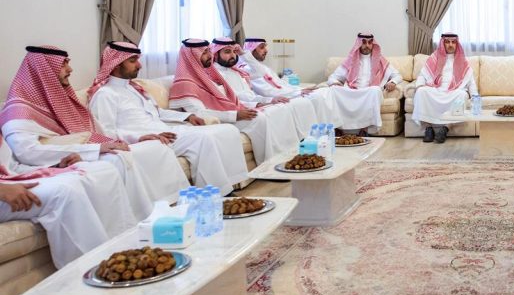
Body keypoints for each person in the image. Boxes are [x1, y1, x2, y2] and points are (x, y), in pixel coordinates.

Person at [1, 46, 188, 222]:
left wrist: (135, 138)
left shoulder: (61, 100)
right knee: (117, 159)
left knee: (153, 148)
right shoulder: (20, 111)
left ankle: (173, 208)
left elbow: (97, 131)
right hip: (66, 156)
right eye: (63, 64)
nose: (70, 69)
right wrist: (94, 150)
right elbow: (27, 152)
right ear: (43, 71)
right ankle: (144, 218)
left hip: (82, 150)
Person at [88, 41, 250, 195]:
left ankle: (227, 185)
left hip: (164, 131)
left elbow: (158, 112)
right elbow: (104, 133)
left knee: (222, 131)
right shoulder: (105, 95)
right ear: (116, 64)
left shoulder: (134, 88)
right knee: (203, 139)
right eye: (133, 61)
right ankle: (218, 193)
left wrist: (187, 116)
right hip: (147, 140)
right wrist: (138, 137)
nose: (139, 65)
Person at [0, 139, 130, 267]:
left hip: (7, 181)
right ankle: (93, 269)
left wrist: (55, 168)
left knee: (101, 170)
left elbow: (11, 168)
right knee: (63, 193)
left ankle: (125, 252)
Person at [168, 39, 297, 164]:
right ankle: (268, 164)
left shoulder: (211, 76)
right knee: (259, 118)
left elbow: (229, 99)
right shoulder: (184, 83)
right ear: (192, 57)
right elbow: (199, 113)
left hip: (230, 111)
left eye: (209, 51)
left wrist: (252, 105)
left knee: (266, 114)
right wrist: (236, 114)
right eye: (204, 52)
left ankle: (282, 158)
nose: (210, 55)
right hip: (215, 119)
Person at [210, 38, 313, 139]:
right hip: (238, 110)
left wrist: (242, 53)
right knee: (275, 112)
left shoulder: (236, 71)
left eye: (234, 51)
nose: (233, 55)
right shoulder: (216, 74)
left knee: (281, 109)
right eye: (227, 52)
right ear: (215, 54)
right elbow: (236, 96)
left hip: (253, 103)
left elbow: (261, 73)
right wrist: (264, 101)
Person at [238, 37, 337, 126]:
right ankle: (323, 128)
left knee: (324, 91)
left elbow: (281, 84)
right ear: (251, 49)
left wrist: (300, 89)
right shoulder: (246, 69)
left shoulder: (263, 67)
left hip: (287, 94)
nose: (266, 50)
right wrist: (297, 93)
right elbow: (267, 92)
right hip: (278, 98)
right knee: (316, 97)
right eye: (262, 47)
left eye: (265, 47)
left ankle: (331, 126)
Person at [326, 33, 402, 134]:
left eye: (370, 42)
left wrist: (393, 82)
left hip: (369, 92)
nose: (367, 45)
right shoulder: (350, 60)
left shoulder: (380, 60)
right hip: (352, 92)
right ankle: (338, 128)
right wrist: (335, 83)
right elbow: (332, 78)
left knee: (375, 90)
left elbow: (397, 75)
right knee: (333, 89)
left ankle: (365, 129)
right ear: (358, 44)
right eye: (364, 42)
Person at [411, 33, 477, 143]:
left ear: (456, 44)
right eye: (447, 42)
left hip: (454, 91)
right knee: (421, 91)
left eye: (453, 42)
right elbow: (422, 75)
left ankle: (445, 128)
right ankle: (428, 128)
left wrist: (475, 96)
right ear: (443, 43)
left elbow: (471, 82)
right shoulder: (434, 58)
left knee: (462, 95)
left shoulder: (462, 61)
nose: (450, 45)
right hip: (436, 89)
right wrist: (420, 85)